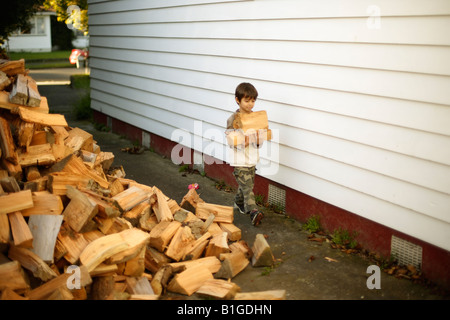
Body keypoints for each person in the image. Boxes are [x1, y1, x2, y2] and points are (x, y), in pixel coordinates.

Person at [225, 82, 265, 226]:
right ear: (238, 100)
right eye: (247, 101)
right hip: (239, 160)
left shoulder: (257, 118)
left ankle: (238, 202)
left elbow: (260, 141)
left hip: (252, 158)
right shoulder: (233, 119)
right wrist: (247, 140)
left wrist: (259, 137)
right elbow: (232, 140)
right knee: (248, 187)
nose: (250, 104)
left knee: (247, 185)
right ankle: (253, 211)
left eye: (253, 101)